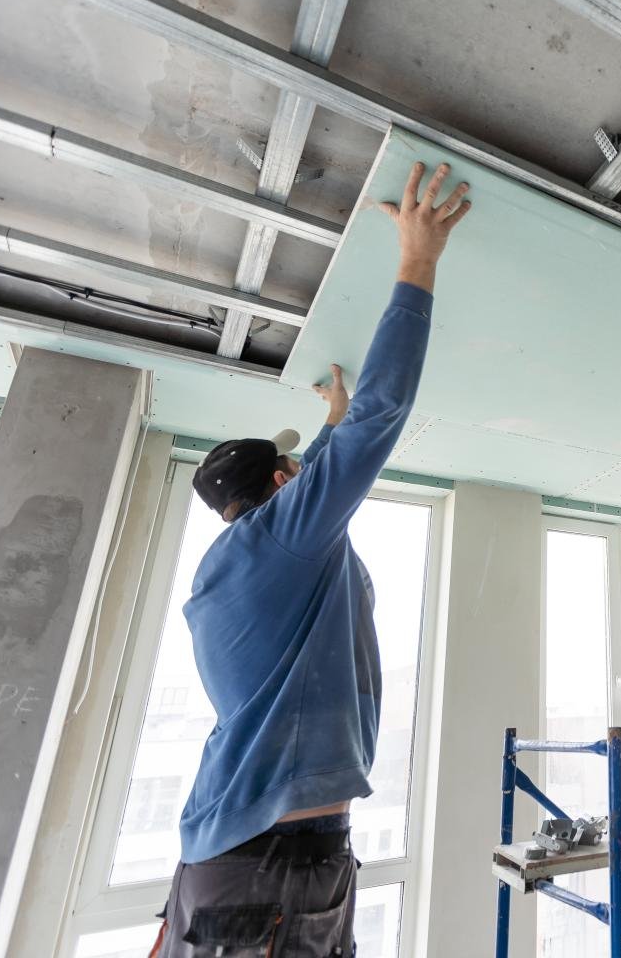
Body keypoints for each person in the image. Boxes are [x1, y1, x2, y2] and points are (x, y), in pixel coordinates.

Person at [149, 162, 471, 958]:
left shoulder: (240, 563)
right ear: (283, 483)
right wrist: (417, 260)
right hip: (272, 867)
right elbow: (380, 417)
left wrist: (328, 424)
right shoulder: (283, 541)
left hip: (257, 858)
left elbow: (319, 488)